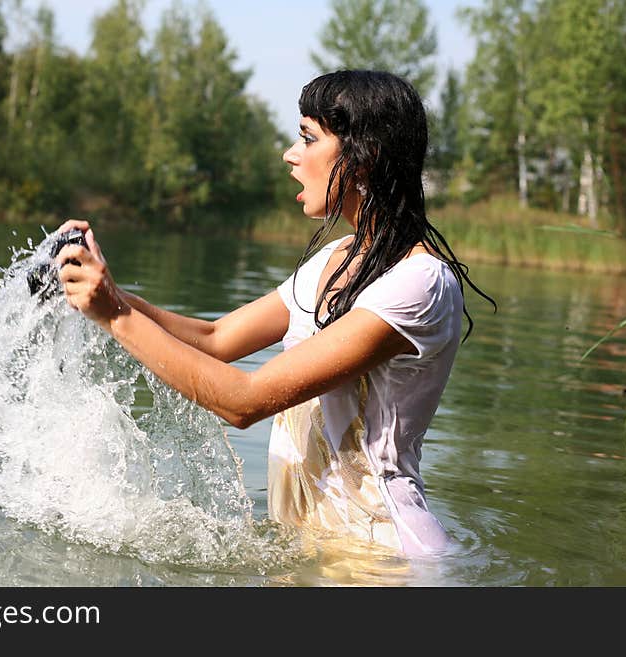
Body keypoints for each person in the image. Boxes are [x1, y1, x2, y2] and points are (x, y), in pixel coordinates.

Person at [54, 70, 495, 558]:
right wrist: (103, 292)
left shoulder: (419, 283)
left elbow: (244, 402)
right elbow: (215, 337)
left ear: (364, 156)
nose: (290, 153)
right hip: (315, 554)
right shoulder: (336, 259)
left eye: (308, 137)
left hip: (384, 559)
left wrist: (115, 316)